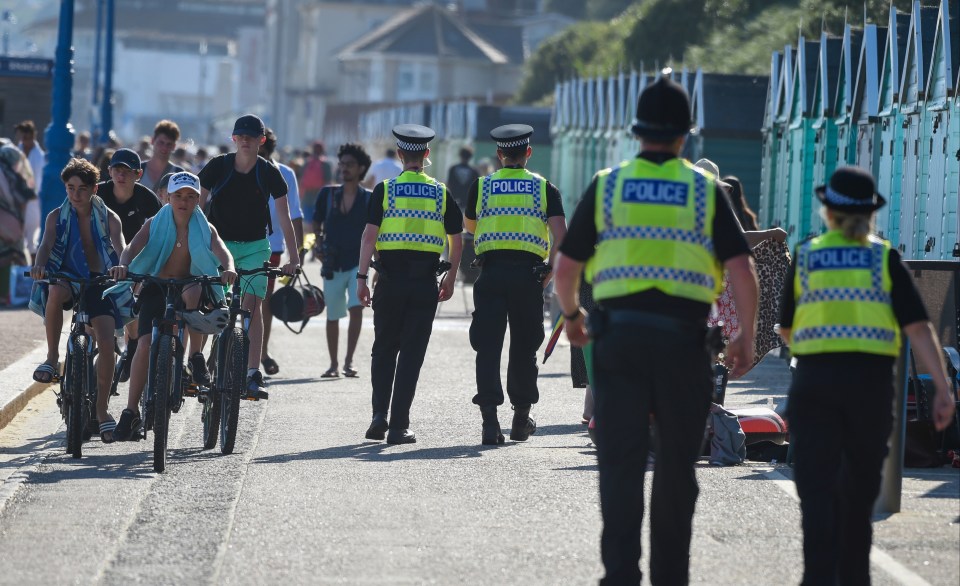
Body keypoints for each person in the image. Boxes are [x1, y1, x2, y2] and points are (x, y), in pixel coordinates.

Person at [553, 70, 759, 585]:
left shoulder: (608, 185)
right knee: (675, 470)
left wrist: (574, 316)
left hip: (618, 341)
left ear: (636, 131)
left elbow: (565, 267)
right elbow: (743, 269)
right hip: (685, 346)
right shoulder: (705, 191)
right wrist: (745, 336)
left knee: (620, 465)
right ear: (686, 134)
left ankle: (620, 575)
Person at [778, 166, 956, 586]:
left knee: (816, 491)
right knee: (859, 497)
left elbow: (786, 327)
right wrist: (943, 390)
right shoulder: (884, 258)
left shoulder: (808, 255)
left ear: (829, 212)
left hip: (816, 383)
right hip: (869, 388)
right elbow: (918, 328)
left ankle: (817, 578)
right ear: (870, 214)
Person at [108, 171, 236, 441]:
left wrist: (229, 268)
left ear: (198, 200)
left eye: (191, 196)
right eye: (178, 195)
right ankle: (131, 411)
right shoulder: (155, 222)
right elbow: (132, 247)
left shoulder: (204, 227)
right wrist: (124, 264)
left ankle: (196, 357)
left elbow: (221, 249)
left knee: (196, 289)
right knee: (143, 344)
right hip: (157, 286)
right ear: (167, 197)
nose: (184, 201)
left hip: (188, 284)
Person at [356, 124, 463, 444]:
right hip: (424, 284)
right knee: (412, 353)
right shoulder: (440, 192)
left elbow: (368, 237)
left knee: (384, 349)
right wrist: (451, 276)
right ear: (426, 155)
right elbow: (456, 242)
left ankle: (379, 416)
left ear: (400, 155)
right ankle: (399, 426)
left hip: (389, 279)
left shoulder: (385, 190)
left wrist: (361, 278)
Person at [463, 124, 567, 445]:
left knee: (488, 346)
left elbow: (470, 227)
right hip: (529, 276)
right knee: (524, 347)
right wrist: (549, 271)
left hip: (491, 274)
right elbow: (562, 238)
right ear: (528, 153)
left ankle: (490, 423)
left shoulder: (481, 186)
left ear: (499, 154)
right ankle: (521, 419)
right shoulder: (545, 188)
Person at [28, 158, 133, 443]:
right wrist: (39, 266)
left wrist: (122, 266)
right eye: (70, 188)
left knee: (108, 342)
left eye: (82, 189)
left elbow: (120, 245)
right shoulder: (55, 217)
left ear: (94, 189)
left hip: (99, 280)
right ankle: (52, 358)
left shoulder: (109, 217)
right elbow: (46, 245)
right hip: (68, 276)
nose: (75, 194)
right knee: (54, 291)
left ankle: (101, 411)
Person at [198, 114, 300, 400]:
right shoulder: (218, 166)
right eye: (240, 136)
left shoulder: (269, 172)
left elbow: (285, 216)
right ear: (233, 138)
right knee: (211, 304)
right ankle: (198, 364)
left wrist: (294, 258)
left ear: (261, 141)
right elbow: (196, 208)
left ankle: (253, 372)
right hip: (219, 244)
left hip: (256, 245)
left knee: (253, 306)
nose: (245, 140)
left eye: (251, 137)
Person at [96, 148, 164, 383]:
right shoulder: (98, 193)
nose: (121, 175)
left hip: (134, 259)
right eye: (117, 169)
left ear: (139, 173)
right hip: (98, 256)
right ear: (109, 171)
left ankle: (132, 343)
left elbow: (160, 233)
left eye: (128, 171)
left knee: (132, 302)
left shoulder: (147, 199)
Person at [313, 142, 372, 378]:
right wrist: (317, 242)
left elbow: (374, 232)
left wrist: (376, 264)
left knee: (356, 308)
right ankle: (333, 364)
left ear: (361, 168)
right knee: (333, 314)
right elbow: (315, 221)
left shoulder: (369, 198)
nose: (344, 168)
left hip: (358, 261)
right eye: (342, 164)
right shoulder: (327, 194)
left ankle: (348, 361)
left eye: (350, 164)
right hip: (332, 261)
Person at [259, 127, 304, 376]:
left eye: (263, 152)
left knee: (264, 303)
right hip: (237, 245)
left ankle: (262, 353)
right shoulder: (237, 168)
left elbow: (295, 213)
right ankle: (223, 353)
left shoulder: (285, 173)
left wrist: (298, 252)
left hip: (272, 246)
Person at [15, 120, 43, 255]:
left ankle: (31, 266)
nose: (24, 140)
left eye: (26, 137)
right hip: (16, 198)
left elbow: (38, 181)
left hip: (33, 200)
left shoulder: (39, 156)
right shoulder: (17, 151)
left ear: (32, 136)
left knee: (32, 235)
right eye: (22, 137)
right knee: (17, 233)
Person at [140, 120, 185, 193]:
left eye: (169, 144)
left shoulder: (179, 174)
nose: (164, 147)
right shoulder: (139, 170)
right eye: (161, 142)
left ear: (174, 146)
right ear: (152, 141)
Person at [299, 141, 333, 232]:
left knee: (307, 224)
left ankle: (308, 243)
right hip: (320, 197)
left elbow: (301, 181)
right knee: (320, 224)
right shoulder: (326, 165)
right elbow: (329, 183)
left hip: (307, 197)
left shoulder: (306, 164)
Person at [446, 146, 479, 210]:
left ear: (460, 155)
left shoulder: (453, 169)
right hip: (468, 203)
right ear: (470, 157)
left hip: (454, 202)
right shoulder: (474, 171)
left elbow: (449, 185)